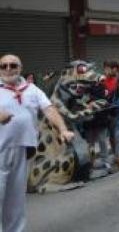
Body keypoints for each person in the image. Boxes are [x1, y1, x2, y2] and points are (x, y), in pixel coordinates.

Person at [0, 54, 74, 231]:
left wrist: (63, 129)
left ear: (20, 68)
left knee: (16, 199)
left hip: (23, 150)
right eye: (3, 66)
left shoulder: (32, 89)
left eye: (13, 65)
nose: (8, 69)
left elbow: (49, 109)